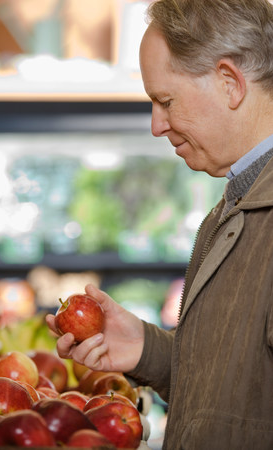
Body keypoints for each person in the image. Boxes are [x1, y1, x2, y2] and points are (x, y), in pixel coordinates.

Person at [46, 0, 273, 448]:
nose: (156, 125)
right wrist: (147, 351)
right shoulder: (238, 200)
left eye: (165, 101)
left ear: (230, 83)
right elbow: (245, 393)